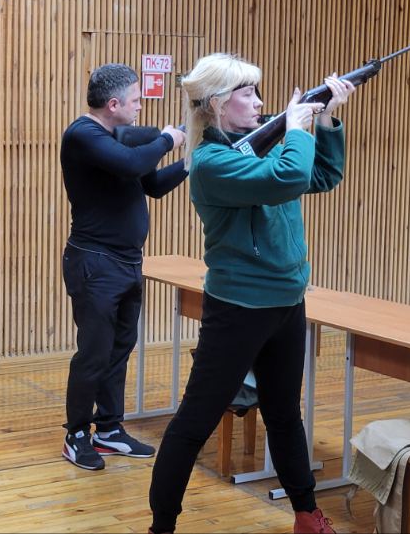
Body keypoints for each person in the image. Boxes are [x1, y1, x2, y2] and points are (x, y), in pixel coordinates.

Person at [148, 53, 353, 534]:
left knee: (284, 415)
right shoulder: (211, 162)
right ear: (218, 104)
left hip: (286, 301)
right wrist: (296, 130)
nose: (260, 103)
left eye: (259, 93)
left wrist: (325, 121)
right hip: (239, 308)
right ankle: (162, 527)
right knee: (194, 422)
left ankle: (307, 515)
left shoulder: (258, 146)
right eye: (248, 94)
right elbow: (289, 176)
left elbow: (321, 176)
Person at [59, 63, 188, 470]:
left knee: (118, 351)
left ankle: (109, 429)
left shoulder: (122, 143)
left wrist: (192, 162)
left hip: (128, 263)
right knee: (94, 354)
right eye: (135, 101)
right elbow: (133, 164)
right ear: (113, 105)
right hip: (95, 264)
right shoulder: (83, 135)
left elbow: (153, 185)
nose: (139, 108)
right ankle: (76, 434)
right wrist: (168, 138)